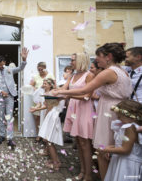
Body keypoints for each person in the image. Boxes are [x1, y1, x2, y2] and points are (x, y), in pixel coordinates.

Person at [53, 43, 132, 180]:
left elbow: (85, 91)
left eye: (98, 56)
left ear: (109, 57)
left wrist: (60, 91)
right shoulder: (122, 70)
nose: (96, 59)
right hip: (118, 110)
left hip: (109, 111)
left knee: (103, 151)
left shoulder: (109, 72)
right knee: (112, 150)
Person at [58, 53, 95, 181]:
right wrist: (52, 93)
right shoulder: (72, 76)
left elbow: (87, 96)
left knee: (85, 143)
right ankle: (82, 172)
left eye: (73, 60)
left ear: (80, 61)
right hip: (74, 109)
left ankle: (88, 176)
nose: (71, 62)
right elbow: (63, 89)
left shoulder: (89, 75)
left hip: (84, 109)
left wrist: (68, 96)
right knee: (78, 143)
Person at [0, 48, 29, 150]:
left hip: (10, 96)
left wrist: (24, 60)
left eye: (1, 63)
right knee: (0, 117)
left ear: (4, 62)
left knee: (9, 117)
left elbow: (20, 68)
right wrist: (0, 92)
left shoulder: (9, 69)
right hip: (0, 97)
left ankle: (10, 138)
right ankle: (2, 136)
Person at [99, 100, 142, 181]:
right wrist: (110, 148)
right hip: (121, 161)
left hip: (127, 165)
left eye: (120, 117)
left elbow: (126, 149)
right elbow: (123, 145)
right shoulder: (128, 126)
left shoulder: (130, 127)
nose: (118, 119)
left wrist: (105, 149)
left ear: (130, 116)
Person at [30, 62, 55, 143]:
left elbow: (55, 86)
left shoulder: (50, 75)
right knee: (37, 118)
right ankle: (38, 135)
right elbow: (30, 85)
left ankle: (45, 136)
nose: (40, 71)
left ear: (45, 68)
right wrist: (36, 90)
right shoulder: (35, 76)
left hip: (47, 99)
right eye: (38, 69)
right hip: (38, 100)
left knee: (46, 117)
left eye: (41, 69)